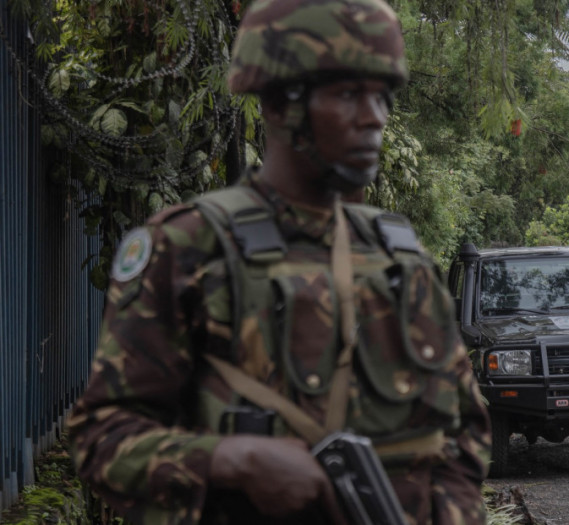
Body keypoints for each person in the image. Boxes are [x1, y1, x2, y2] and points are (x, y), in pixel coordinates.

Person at [67, 1, 491, 524]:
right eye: (347, 94)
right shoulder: (189, 248)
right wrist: (229, 461)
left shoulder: (398, 256)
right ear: (278, 105)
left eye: (382, 96)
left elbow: (465, 433)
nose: (374, 118)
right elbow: (102, 438)